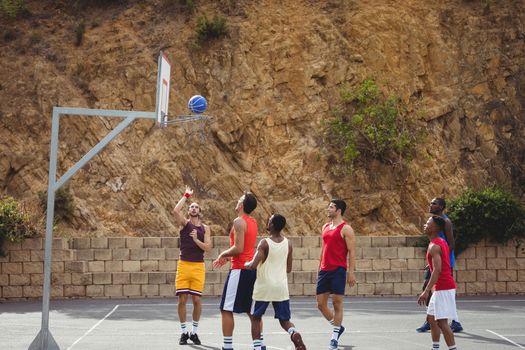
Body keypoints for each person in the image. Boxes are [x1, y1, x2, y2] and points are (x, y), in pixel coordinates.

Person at [245, 214, 307, 350]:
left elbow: (253, 265)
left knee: (255, 317)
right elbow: (289, 269)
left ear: (272, 225)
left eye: (270, 220)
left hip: (264, 287)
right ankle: (294, 333)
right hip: (281, 287)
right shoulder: (288, 243)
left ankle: (257, 347)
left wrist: (246, 263)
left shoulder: (264, 243)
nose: (268, 221)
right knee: (284, 320)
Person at [212, 192, 260, 350]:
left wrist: (223, 254)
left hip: (239, 270)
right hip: (250, 269)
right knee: (251, 310)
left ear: (242, 205)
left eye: (239, 199)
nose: (237, 199)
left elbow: (238, 248)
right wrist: (228, 257)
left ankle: (227, 347)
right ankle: (259, 345)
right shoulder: (252, 221)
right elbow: (245, 247)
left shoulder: (239, 221)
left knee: (225, 309)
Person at [416, 197, 463, 333]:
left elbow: (451, 243)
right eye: (430, 203)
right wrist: (432, 260)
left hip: (446, 259)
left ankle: (454, 321)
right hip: (439, 257)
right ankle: (430, 320)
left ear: (441, 207)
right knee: (428, 286)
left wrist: (441, 259)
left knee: (443, 289)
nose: (431, 205)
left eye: (434, 203)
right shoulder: (434, 222)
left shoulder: (446, 222)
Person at [173, 186, 212, 345]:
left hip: (198, 267)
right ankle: (184, 332)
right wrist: (186, 196)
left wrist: (196, 240)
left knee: (196, 300)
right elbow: (175, 211)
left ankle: (194, 332)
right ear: (189, 211)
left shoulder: (205, 228)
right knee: (182, 299)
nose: (194, 208)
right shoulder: (185, 224)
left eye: (196, 206)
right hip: (184, 265)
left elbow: (208, 248)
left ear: (200, 211)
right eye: (191, 207)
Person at [316, 199, 356, 350]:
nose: (328, 209)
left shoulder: (346, 229)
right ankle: (338, 327)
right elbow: (323, 249)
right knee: (320, 304)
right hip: (324, 270)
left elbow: (352, 252)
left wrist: (351, 273)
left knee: (337, 303)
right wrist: (318, 267)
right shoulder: (325, 226)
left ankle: (334, 338)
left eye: (331, 207)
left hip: (338, 270)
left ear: (338, 210)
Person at [417, 215, 459, 350]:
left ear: (436, 228)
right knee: (431, 319)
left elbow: (438, 270)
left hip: (443, 287)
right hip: (441, 287)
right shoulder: (440, 241)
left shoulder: (434, 245)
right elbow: (441, 262)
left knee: (442, 322)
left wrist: (426, 290)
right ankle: (435, 348)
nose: (425, 225)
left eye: (428, 223)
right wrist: (430, 265)